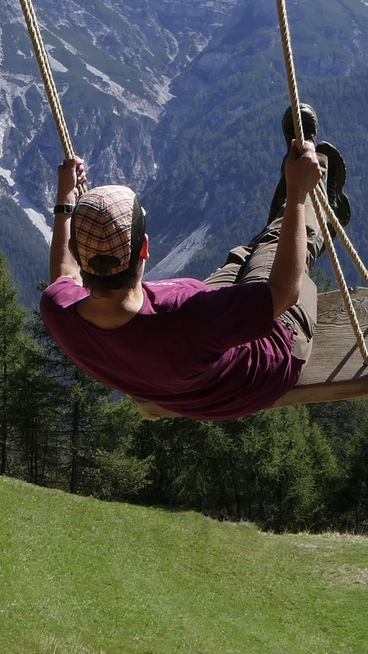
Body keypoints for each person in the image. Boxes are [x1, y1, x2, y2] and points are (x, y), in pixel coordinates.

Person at [39, 106, 345, 420]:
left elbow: (63, 274)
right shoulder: (186, 315)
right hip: (266, 362)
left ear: (79, 255)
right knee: (275, 245)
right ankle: (317, 194)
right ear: (144, 248)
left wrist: (66, 199)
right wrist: (296, 191)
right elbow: (283, 291)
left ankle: (298, 204)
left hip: (182, 387)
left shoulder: (59, 312)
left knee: (242, 258)